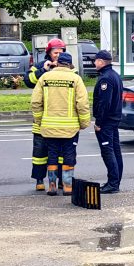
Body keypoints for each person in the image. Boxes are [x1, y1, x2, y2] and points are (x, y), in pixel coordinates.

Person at [30, 53, 90, 196]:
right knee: (68, 155)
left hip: (49, 127)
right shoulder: (76, 79)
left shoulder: (44, 78)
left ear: (57, 63)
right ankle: (68, 186)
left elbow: (36, 102)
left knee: (52, 155)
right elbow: (82, 103)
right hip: (70, 128)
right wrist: (84, 123)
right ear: (69, 65)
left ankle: (52, 186)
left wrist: (39, 120)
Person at [24, 38, 66, 191]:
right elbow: (28, 81)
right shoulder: (40, 66)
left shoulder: (68, 68)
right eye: (55, 52)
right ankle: (39, 180)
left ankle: (61, 180)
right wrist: (44, 70)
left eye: (61, 53)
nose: (58, 56)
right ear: (49, 53)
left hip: (60, 120)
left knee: (61, 155)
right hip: (42, 120)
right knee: (40, 154)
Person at [92, 50, 124, 194]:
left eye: (96, 60)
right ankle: (115, 181)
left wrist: (99, 122)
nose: (94, 63)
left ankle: (113, 183)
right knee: (115, 151)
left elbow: (105, 102)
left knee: (108, 151)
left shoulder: (105, 78)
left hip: (106, 121)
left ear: (101, 61)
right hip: (114, 119)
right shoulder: (115, 75)